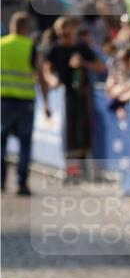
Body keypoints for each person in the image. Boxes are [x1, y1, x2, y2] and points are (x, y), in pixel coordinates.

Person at [43, 16, 106, 177]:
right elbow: (47, 71)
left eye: (67, 33)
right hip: (65, 94)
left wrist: (83, 63)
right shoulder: (55, 49)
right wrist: (53, 80)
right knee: (69, 133)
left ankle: (84, 169)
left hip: (83, 94)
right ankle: (72, 171)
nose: (64, 37)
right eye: (61, 33)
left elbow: (100, 67)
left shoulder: (81, 48)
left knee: (84, 132)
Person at [1, 11, 48, 194]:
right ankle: (22, 183)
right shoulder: (31, 46)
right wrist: (46, 102)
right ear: (25, 27)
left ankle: (1, 181)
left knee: (1, 142)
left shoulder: (1, 44)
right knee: (25, 144)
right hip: (25, 101)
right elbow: (41, 75)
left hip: (3, 100)